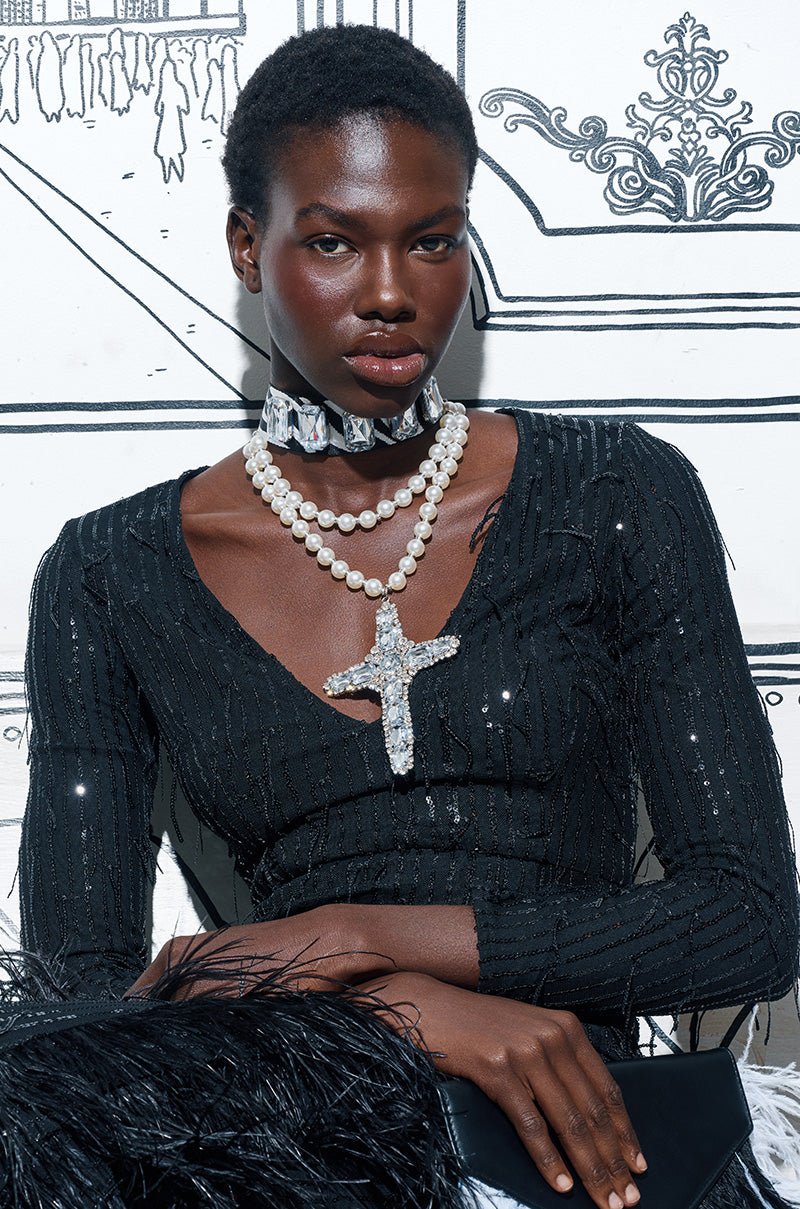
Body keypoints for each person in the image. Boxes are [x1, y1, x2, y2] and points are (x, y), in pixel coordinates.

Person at [16, 23, 799, 1209]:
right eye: (333, 241)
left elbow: (744, 920)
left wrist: (360, 936)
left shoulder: (613, 494)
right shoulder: (108, 573)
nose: (389, 294)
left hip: (594, 1154)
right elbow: (77, 1008)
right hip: (298, 1148)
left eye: (431, 242)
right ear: (247, 246)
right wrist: (403, 1007)